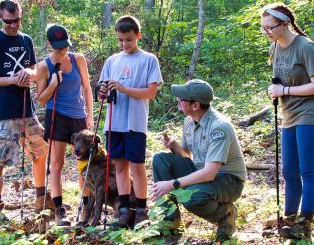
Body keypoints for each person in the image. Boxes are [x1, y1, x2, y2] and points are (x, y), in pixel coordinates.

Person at [0, 0, 51, 218]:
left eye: (16, 20)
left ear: (21, 16)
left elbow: (35, 70)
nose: (13, 25)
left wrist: (29, 73)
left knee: (40, 151)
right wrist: (10, 79)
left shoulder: (26, 39)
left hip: (27, 109)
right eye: (8, 21)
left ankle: (40, 199)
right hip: (4, 111)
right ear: (1, 17)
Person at [151, 79, 246, 242]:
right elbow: (187, 156)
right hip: (202, 172)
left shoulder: (219, 127)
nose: (178, 101)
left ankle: (226, 214)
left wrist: (172, 184)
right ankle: (170, 226)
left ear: (195, 105)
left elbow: (209, 174)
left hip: (228, 180)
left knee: (190, 197)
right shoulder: (189, 121)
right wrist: (175, 146)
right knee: (160, 160)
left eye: (181, 99)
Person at [97, 15, 163, 228]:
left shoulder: (148, 59)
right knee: (120, 167)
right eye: (120, 40)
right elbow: (101, 93)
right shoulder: (112, 61)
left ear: (138, 36)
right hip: (113, 122)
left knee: (137, 166)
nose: (124, 44)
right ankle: (124, 210)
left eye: (128, 39)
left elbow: (151, 93)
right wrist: (103, 91)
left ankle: (142, 211)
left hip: (135, 122)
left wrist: (124, 89)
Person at [263, 3, 314, 241]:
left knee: (308, 171)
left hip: (309, 113)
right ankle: (289, 218)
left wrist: (285, 89)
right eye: (263, 28)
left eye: (271, 27)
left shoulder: (305, 47)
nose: (267, 32)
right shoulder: (275, 47)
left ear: (285, 24)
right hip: (288, 115)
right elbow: (278, 82)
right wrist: (275, 90)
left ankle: (305, 222)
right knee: (289, 171)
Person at [35, 24, 94, 226]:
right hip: (56, 116)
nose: (63, 50)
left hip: (78, 115)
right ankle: (60, 210)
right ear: (49, 44)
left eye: (65, 46)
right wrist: (52, 84)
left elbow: (87, 88)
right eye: (58, 47)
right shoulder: (43, 66)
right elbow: (41, 99)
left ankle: (86, 205)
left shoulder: (79, 59)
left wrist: (90, 116)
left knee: (83, 163)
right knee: (56, 164)